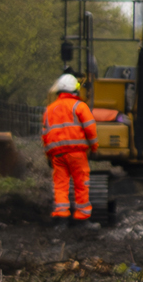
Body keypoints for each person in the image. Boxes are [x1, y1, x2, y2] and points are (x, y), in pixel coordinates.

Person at [41, 74, 99, 224]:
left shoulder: (49, 109)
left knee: (60, 186)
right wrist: (94, 147)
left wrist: (49, 155)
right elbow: (90, 128)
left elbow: (45, 134)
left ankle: (61, 219)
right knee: (81, 184)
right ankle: (82, 220)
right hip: (77, 154)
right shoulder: (79, 106)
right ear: (75, 90)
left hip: (58, 155)